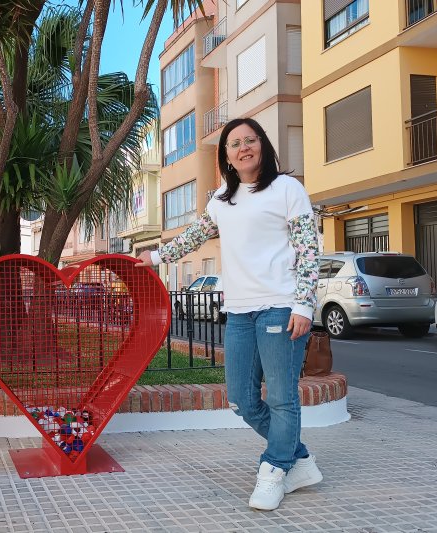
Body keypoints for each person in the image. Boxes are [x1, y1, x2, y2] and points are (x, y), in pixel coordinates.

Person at [137, 117, 323, 511]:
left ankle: (274, 469)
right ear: (226, 155)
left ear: (262, 145)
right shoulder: (222, 197)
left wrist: (305, 304)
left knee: (282, 399)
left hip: (280, 305)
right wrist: (155, 256)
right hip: (238, 311)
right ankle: (299, 460)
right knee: (241, 398)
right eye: (235, 143)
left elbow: (308, 250)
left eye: (250, 140)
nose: (243, 148)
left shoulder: (287, 189)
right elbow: (194, 234)